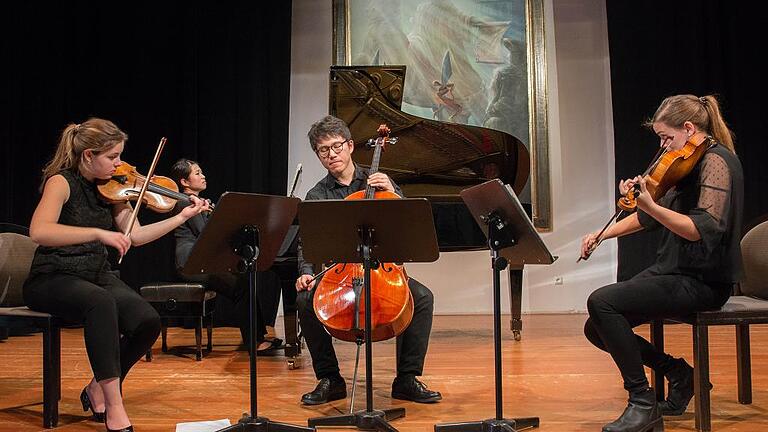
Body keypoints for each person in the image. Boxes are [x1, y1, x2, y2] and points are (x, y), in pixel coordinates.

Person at [23, 118, 210, 432]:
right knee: (101, 302)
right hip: (52, 276)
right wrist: (98, 233)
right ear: (88, 156)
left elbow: (135, 236)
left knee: (147, 320)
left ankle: (97, 386)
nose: (120, 164)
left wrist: (183, 216)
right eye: (112, 157)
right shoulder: (62, 182)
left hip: (94, 273)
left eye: (120, 155)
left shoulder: (113, 190)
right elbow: (39, 232)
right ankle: (114, 404)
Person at [580, 95, 743, 432]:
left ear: (688, 128)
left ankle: (642, 402)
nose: (662, 146)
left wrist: (650, 205)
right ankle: (679, 373)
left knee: (602, 301)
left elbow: (701, 230)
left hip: (704, 279)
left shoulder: (717, 161)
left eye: (666, 137)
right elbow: (647, 218)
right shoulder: (683, 163)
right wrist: (603, 232)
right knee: (596, 326)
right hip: (674, 270)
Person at [294, 115, 442, 405]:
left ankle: (407, 379)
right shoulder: (318, 194)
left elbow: (405, 221)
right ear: (318, 155)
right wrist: (306, 271)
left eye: (336, 146)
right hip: (341, 273)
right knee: (303, 300)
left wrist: (393, 190)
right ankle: (330, 379)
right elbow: (307, 243)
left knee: (422, 298)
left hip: (381, 269)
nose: (332, 154)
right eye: (324, 150)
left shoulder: (379, 181)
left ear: (349, 146)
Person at [169, 158, 282, 353]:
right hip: (190, 264)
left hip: (201, 261)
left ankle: (258, 336)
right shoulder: (185, 203)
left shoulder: (198, 203)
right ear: (184, 182)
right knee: (242, 286)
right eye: (197, 173)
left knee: (245, 281)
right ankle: (254, 342)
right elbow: (207, 234)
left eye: (201, 171)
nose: (203, 176)